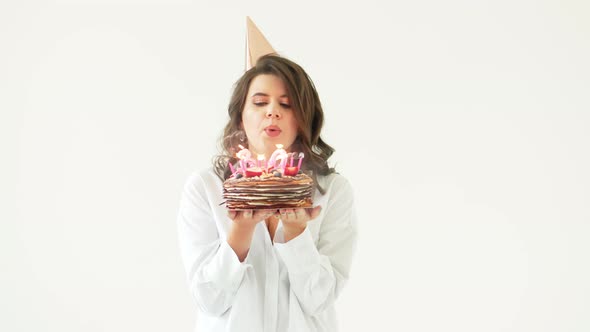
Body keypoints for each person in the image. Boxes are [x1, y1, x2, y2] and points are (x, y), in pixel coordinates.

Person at [176, 18, 358, 332]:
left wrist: (298, 234)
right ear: (240, 116)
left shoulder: (332, 192)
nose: (272, 111)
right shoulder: (206, 189)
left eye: (286, 104)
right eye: (260, 102)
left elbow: (320, 300)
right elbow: (209, 299)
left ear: (303, 119)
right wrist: (240, 234)